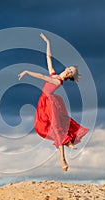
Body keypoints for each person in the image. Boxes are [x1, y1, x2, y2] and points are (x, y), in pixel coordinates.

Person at [18, 33, 89, 172]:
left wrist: (27, 71)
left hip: (50, 102)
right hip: (44, 102)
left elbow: (42, 76)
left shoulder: (57, 80)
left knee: (57, 128)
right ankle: (67, 142)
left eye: (70, 70)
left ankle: (63, 159)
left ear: (69, 75)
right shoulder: (54, 74)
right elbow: (48, 58)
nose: (68, 69)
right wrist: (48, 42)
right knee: (54, 126)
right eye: (70, 68)